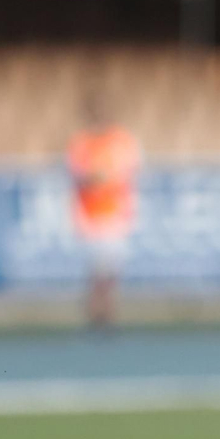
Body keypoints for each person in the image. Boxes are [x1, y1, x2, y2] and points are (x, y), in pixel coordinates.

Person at [66, 93, 139, 329]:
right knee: (95, 271)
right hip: (89, 215)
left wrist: (102, 178)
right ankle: (95, 313)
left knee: (112, 272)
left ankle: (108, 313)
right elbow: (82, 176)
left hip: (115, 213)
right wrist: (99, 178)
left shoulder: (122, 140)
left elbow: (126, 172)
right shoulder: (81, 142)